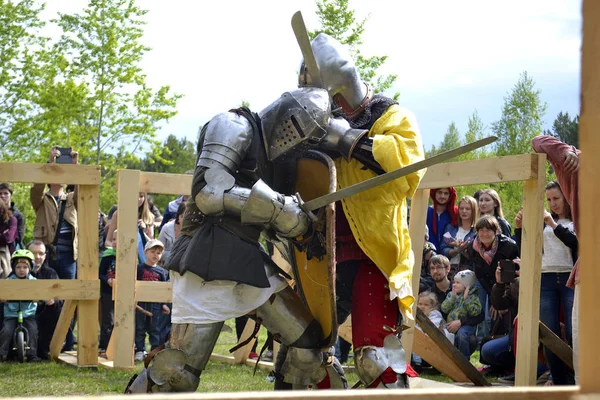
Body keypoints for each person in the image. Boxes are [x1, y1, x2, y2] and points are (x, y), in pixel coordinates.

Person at [531, 135, 580, 384]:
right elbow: (529, 247)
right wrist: (521, 228)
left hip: (571, 276)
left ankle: (575, 375)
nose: (552, 203)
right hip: (547, 278)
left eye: (556, 199)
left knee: (574, 332)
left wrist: (554, 225)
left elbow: (575, 243)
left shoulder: (576, 219)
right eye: (549, 200)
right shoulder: (545, 221)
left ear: (566, 197)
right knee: (548, 331)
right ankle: (558, 378)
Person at [30, 146, 79, 352]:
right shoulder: (42, 199)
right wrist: (50, 162)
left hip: (69, 256)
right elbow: (35, 189)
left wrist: (75, 165)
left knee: (68, 296)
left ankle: (67, 339)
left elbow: (85, 190)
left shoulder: (71, 198)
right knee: (46, 295)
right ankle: (44, 338)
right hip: (47, 253)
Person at [134, 240, 170, 362]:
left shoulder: (162, 272)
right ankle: (139, 350)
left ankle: (154, 351)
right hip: (141, 305)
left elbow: (165, 290)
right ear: (145, 252)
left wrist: (164, 304)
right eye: (152, 252)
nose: (155, 255)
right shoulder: (139, 269)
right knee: (140, 328)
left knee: (155, 329)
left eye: (159, 253)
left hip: (156, 306)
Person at [0, 250, 39, 362]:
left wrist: (37, 298)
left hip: (28, 313)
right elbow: (2, 293)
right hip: (11, 313)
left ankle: (32, 355)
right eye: (18, 267)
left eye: (25, 267)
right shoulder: (8, 281)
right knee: (6, 331)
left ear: (30, 268)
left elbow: (39, 293)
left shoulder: (34, 281)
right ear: (14, 268)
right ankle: (2, 354)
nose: (21, 270)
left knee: (33, 330)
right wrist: (3, 298)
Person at [28, 240, 63, 360]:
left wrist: (54, 300)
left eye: (40, 253)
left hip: (44, 314)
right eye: (33, 253)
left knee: (58, 310)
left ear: (45, 256)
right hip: (23, 312)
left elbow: (60, 297)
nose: (37, 257)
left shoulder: (51, 273)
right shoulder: (17, 272)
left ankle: (48, 349)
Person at [441, 270, 482, 358]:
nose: (454, 285)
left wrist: (467, 299)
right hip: (449, 326)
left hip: (466, 327)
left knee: (462, 335)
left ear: (467, 286)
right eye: (454, 282)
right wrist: (452, 299)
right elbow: (444, 309)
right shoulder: (451, 295)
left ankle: (464, 361)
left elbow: (475, 312)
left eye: (458, 282)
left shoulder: (473, 297)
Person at [441, 195, 478, 279]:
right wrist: (457, 250)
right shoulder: (450, 227)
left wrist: (463, 250)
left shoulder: (477, 231)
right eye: (461, 208)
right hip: (448, 269)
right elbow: (443, 249)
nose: (464, 211)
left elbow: (476, 258)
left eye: (467, 209)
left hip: (468, 272)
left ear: (474, 211)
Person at [98, 234, 117, 354]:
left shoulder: (130, 257)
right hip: (107, 292)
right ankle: (105, 346)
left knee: (121, 320)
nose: (115, 242)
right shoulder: (107, 257)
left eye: (119, 240)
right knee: (108, 320)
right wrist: (107, 280)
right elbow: (100, 274)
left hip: (123, 293)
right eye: (114, 239)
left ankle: (117, 346)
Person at [0, 183, 26, 250]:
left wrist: (7, 235)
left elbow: (18, 238)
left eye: (6, 193)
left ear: (11, 196)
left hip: (12, 250)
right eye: (0, 193)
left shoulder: (18, 215)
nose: (2, 196)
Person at [0, 201, 17, 278]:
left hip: (7, 256)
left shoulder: (11, 220)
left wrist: (5, 236)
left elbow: (8, 238)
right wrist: (2, 235)